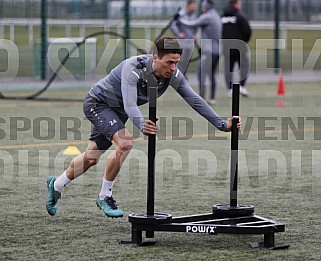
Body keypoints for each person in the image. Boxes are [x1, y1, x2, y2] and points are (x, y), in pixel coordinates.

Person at [46, 36, 241, 218]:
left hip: (118, 111)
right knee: (125, 144)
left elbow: (194, 99)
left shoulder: (172, 74)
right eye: (169, 62)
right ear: (155, 57)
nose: (174, 67)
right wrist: (141, 124)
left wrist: (222, 124)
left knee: (91, 158)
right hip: (98, 103)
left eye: (177, 62)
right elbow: (130, 104)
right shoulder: (134, 68)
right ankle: (105, 196)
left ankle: (57, 184)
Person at [177, 0, 222, 106]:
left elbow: (190, 24)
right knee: (212, 74)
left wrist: (178, 18)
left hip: (209, 51)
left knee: (201, 73)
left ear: (206, 6)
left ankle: (202, 98)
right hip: (217, 50)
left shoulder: (207, 17)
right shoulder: (216, 15)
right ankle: (212, 97)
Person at [221, 0, 252, 97]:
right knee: (244, 66)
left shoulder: (222, 17)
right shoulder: (240, 16)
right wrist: (244, 41)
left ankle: (230, 89)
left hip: (226, 47)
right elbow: (247, 30)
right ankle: (241, 86)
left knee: (228, 68)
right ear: (236, 4)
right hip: (239, 46)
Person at [170, 0, 197, 76]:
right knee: (180, 61)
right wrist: (179, 33)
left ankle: (183, 76)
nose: (194, 8)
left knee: (187, 61)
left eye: (195, 6)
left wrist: (194, 34)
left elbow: (195, 26)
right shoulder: (180, 14)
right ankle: (177, 76)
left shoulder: (194, 15)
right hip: (182, 42)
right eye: (193, 6)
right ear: (188, 6)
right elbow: (173, 25)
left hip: (190, 42)